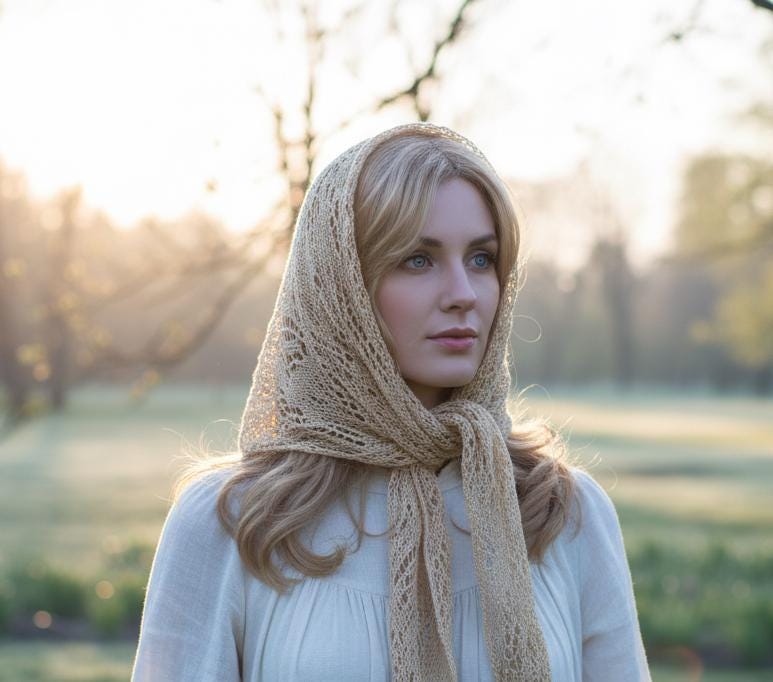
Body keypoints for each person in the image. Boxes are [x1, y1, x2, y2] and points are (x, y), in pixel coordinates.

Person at [130, 122, 651, 681]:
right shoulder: (232, 521)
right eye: (417, 260)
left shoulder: (565, 514)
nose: (463, 294)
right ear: (341, 285)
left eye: (481, 259)